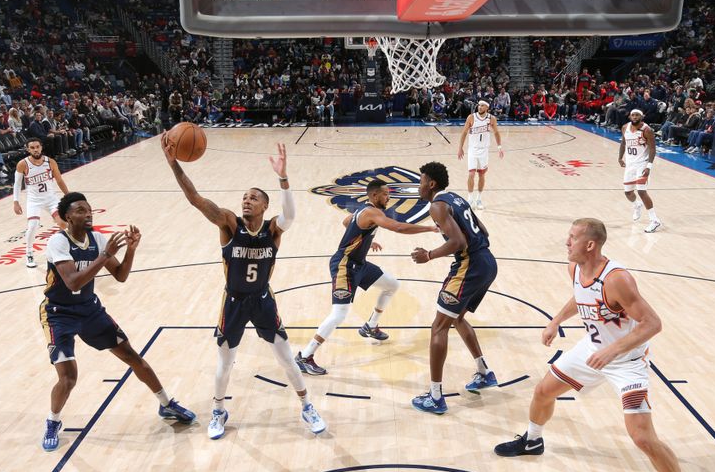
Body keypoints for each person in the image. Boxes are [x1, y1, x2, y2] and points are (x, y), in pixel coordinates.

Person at [493, 219, 704, 472]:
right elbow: (580, 298)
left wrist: (613, 350)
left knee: (642, 438)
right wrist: (556, 320)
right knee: (542, 392)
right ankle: (533, 441)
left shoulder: (617, 279)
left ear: (590, 245)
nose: (566, 242)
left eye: (572, 238)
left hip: (626, 362)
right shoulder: (576, 269)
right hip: (592, 349)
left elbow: (653, 323)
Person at [162, 135, 326, 440]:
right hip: (234, 302)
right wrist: (174, 165)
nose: (246, 201)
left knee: (286, 357)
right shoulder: (228, 223)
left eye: (253, 197)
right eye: (244, 197)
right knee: (225, 363)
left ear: (264, 205)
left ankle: (307, 406)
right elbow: (196, 199)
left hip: (263, 300)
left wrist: (283, 178)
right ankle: (218, 411)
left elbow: (290, 215)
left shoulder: (274, 228)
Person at [39, 192, 195, 451]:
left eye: (89, 210)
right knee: (68, 377)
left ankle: (166, 404)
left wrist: (131, 251)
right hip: (59, 314)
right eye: (80, 211)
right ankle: (53, 421)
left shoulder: (97, 239)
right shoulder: (58, 242)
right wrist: (104, 255)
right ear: (67, 216)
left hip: (90, 310)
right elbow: (73, 281)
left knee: (133, 357)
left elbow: (120, 275)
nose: (88, 214)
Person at [295, 179, 437, 375]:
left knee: (392, 285)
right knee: (339, 314)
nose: (389, 197)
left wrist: (365, 241)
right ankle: (305, 356)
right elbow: (398, 227)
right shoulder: (372, 212)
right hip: (345, 265)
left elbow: (347, 222)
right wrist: (429, 228)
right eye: (386, 194)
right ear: (374, 196)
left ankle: (370, 326)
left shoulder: (364, 211)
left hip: (359, 264)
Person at [410, 162, 500, 414]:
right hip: (488, 262)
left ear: (431, 184)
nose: (419, 186)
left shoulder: (437, 206)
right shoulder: (456, 198)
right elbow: (484, 230)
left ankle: (436, 397)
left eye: (421, 181)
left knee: (439, 327)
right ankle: (484, 372)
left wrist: (429, 254)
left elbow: (458, 241)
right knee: (458, 318)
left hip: (470, 265)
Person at [14, 138, 70, 268]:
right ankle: (29, 253)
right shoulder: (23, 164)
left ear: (41, 147)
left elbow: (60, 180)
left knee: (63, 223)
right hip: (34, 200)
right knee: (33, 225)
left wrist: (68, 196)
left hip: (51, 199)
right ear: (28, 149)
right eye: (32, 147)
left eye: (37, 147)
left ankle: (64, 248)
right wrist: (15, 202)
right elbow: (17, 185)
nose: (35, 149)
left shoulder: (50, 162)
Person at [457, 100, 504, 210]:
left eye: (482, 105)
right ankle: (470, 198)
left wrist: (499, 147)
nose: (480, 107)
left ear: (487, 107)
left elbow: (496, 132)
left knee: (482, 175)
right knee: (471, 174)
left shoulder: (491, 119)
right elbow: (464, 132)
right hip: (473, 150)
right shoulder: (471, 117)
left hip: (484, 150)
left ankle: (478, 198)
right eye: (479, 105)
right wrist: (460, 147)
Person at [619, 109, 661, 233]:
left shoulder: (647, 130)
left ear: (642, 116)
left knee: (642, 191)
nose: (635, 117)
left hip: (642, 164)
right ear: (630, 116)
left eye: (637, 115)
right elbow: (623, 143)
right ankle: (637, 205)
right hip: (630, 165)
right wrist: (620, 157)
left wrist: (649, 167)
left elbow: (653, 149)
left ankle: (654, 220)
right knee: (628, 193)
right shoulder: (625, 127)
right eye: (633, 115)